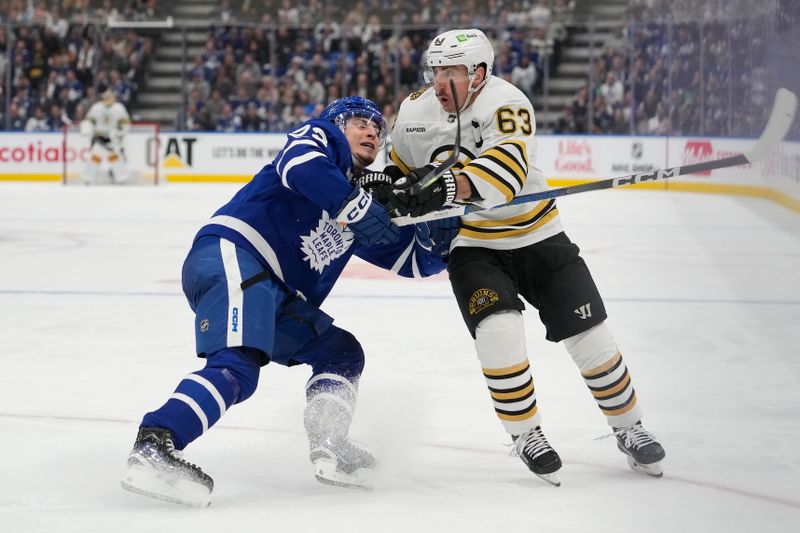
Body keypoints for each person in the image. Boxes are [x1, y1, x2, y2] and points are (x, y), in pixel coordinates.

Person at [120, 96, 455, 507]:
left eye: (377, 129)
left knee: (341, 353)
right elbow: (300, 163)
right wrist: (356, 205)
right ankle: (157, 441)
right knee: (237, 365)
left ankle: (331, 444)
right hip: (238, 254)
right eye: (360, 123)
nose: (372, 131)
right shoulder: (322, 139)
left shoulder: (358, 196)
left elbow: (413, 261)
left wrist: (439, 219)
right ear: (337, 124)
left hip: (273, 291)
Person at [385, 29, 665, 486]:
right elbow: (397, 164)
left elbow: (508, 168)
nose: (438, 82)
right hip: (472, 245)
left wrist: (448, 187)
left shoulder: (507, 102)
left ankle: (629, 427)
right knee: (498, 333)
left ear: (477, 73)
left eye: (449, 72)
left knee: (590, 337)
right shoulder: (416, 109)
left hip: (540, 238)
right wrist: (390, 187)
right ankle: (527, 433)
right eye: (435, 71)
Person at [80, 90, 131, 184]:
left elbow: (125, 124)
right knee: (94, 159)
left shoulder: (119, 108)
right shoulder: (96, 107)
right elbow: (89, 121)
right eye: (105, 97)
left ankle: (121, 179)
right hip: (99, 138)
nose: (107, 99)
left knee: (115, 160)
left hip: (112, 140)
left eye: (109, 97)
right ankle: (87, 179)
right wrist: (86, 129)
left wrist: (118, 134)